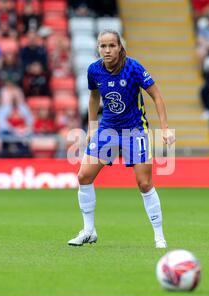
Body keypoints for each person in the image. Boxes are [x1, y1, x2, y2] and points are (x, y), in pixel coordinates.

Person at [67, 30, 175, 249]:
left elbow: (157, 96)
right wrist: (92, 126)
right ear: (98, 48)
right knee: (83, 176)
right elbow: (94, 96)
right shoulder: (94, 70)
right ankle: (89, 231)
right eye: (103, 46)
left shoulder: (133, 67)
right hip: (107, 129)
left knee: (144, 184)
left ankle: (159, 236)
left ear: (119, 47)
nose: (107, 50)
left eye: (111, 46)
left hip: (135, 130)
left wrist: (165, 128)